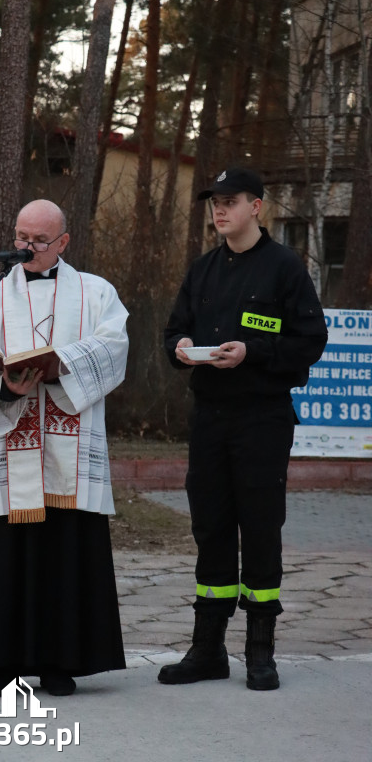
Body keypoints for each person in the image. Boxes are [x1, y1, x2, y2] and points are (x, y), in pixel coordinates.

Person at [159, 167, 328, 691]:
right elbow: (172, 332)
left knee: (259, 529)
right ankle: (207, 649)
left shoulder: (284, 269)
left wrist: (252, 352)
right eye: (215, 202)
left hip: (261, 419)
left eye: (229, 201)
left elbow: (310, 340)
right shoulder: (203, 269)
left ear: (256, 206)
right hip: (209, 418)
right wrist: (182, 349)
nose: (219, 210)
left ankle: (261, 651)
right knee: (210, 528)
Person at [0, 199, 129, 698]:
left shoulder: (96, 292)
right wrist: (8, 387)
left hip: (69, 442)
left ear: (64, 242)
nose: (26, 247)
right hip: (11, 439)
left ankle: (61, 662)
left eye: (38, 240)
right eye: (22, 236)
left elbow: (113, 348)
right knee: (3, 554)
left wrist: (61, 364)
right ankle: (0, 662)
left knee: (65, 549)